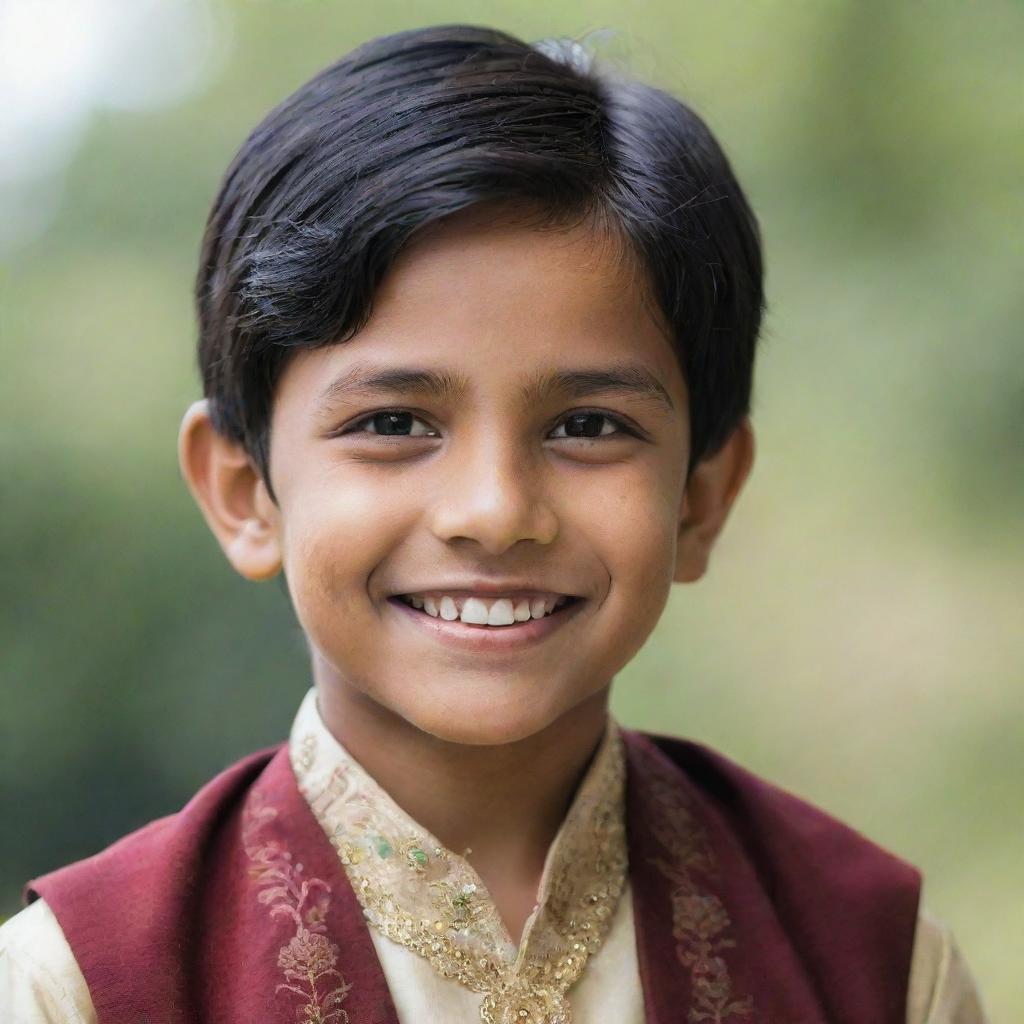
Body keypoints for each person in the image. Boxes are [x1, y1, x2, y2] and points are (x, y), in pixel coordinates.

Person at [0, 23, 990, 1024]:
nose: (494, 511)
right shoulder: (77, 986)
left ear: (700, 496)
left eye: (587, 426)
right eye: (393, 423)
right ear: (243, 491)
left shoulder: (872, 964)